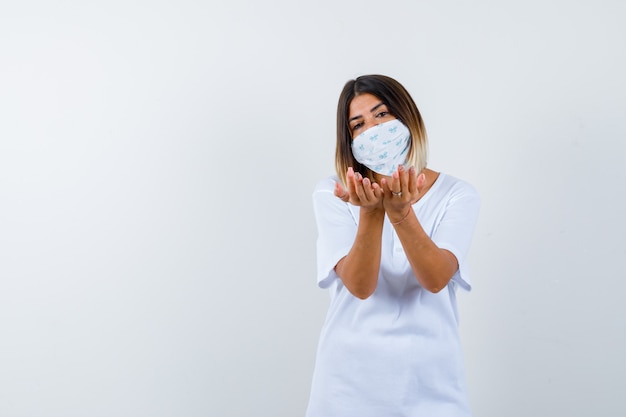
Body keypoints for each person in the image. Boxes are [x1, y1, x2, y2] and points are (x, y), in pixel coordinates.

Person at [305, 74, 480, 416]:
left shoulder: (457, 195)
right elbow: (359, 285)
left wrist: (401, 214)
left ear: (407, 118)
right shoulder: (333, 193)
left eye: (381, 115)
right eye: (358, 124)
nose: (371, 129)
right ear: (349, 139)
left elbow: (435, 279)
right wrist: (371, 212)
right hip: (347, 388)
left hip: (432, 386)